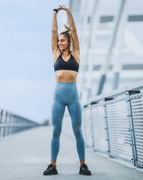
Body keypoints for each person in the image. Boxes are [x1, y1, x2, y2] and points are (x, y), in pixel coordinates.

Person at [43, 5, 92, 176]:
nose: (59, 42)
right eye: (58, 41)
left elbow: (75, 30)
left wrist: (69, 13)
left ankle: (83, 165)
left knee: (78, 131)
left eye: (62, 40)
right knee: (56, 131)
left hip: (73, 99)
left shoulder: (76, 53)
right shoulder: (55, 52)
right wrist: (55, 13)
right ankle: (52, 165)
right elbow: (53, 31)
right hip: (58, 99)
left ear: (69, 41)